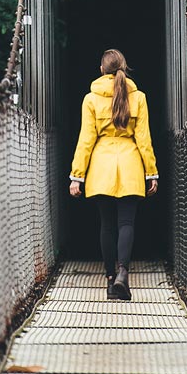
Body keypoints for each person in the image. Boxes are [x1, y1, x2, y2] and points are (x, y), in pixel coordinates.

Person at [68, 49, 159, 300]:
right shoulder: (138, 97)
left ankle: (110, 280)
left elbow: (86, 139)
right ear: (124, 68)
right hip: (130, 165)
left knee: (107, 225)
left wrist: (77, 176)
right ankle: (122, 274)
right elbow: (144, 139)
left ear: (101, 70)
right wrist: (151, 172)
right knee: (127, 223)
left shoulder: (91, 99)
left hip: (101, 167)